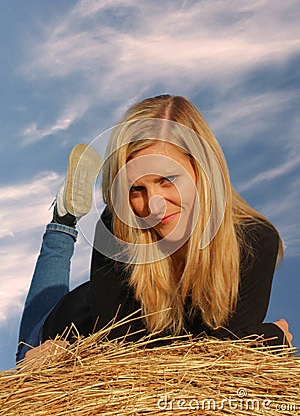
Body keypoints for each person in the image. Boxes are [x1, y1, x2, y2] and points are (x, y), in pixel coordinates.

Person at [16, 95, 292, 363]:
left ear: (203, 170)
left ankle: (65, 215)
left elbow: (221, 364)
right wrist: (266, 340)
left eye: (167, 179)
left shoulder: (255, 242)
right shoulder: (116, 226)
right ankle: (63, 220)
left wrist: (246, 344)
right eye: (137, 188)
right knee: (25, 352)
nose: (153, 206)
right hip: (65, 332)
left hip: (107, 342)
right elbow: (124, 356)